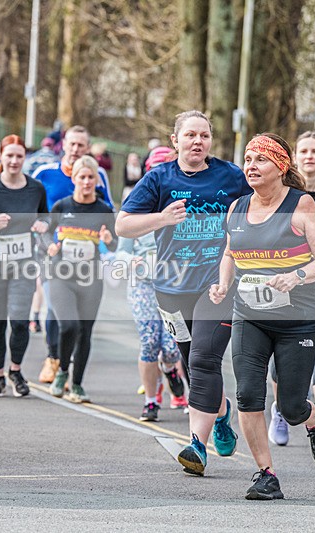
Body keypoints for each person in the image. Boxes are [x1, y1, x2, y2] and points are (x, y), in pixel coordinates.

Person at [116, 110, 250, 476]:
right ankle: (221, 413)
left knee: (206, 359)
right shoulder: (158, 178)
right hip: (171, 291)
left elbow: (258, 213)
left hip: (217, 286)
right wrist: (161, 218)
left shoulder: (230, 176)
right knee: (193, 364)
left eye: (204, 136)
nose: (197, 142)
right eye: (190, 135)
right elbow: (123, 225)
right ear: (175, 140)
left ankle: (196, 446)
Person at [210, 133, 315, 500]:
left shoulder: (301, 205)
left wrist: (296, 276)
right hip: (249, 314)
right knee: (249, 394)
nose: (251, 166)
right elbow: (231, 253)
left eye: (260, 160)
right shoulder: (237, 208)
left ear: (281, 166)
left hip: (297, 318)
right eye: (247, 159)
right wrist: (222, 285)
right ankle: (266, 474)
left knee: (292, 406)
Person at [268, 132, 315, 447]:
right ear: (295, 157)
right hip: (287, 276)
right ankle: (281, 411)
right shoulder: (284, 194)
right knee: (281, 347)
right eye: (304, 151)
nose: (310, 156)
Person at [0, 135, 50, 397]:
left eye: (19, 156)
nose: (14, 161)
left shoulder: (36, 188)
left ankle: (15, 370)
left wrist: (43, 224)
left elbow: (45, 215)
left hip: (23, 265)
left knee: (20, 321)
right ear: (1, 157)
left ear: (24, 158)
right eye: (9, 155)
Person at [32, 126, 112, 385]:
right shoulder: (45, 173)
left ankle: (68, 367)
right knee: (56, 308)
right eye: (72, 144)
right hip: (53, 255)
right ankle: (53, 358)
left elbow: (108, 209)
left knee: (79, 321)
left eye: (81, 145)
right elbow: (33, 207)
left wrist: (107, 235)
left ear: (88, 148)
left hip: (86, 260)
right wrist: (44, 237)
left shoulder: (98, 174)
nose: (76, 149)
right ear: (63, 145)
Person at [116, 149, 188, 421]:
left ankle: (170, 369)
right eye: (154, 168)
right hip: (142, 284)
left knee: (171, 347)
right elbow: (119, 250)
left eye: (165, 167)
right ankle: (150, 401)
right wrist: (130, 259)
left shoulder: (184, 204)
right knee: (148, 341)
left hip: (175, 285)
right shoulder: (136, 203)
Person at [45, 156, 116, 403]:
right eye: (81, 177)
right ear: (73, 179)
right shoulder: (62, 206)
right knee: (69, 326)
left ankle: (77, 384)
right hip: (61, 276)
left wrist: (108, 239)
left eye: (90, 177)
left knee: (85, 331)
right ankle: (62, 371)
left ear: (96, 180)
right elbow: (44, 232)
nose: (86, 182)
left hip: (90, 279)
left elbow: (115, 240)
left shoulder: (104, 210)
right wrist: (50, 246)